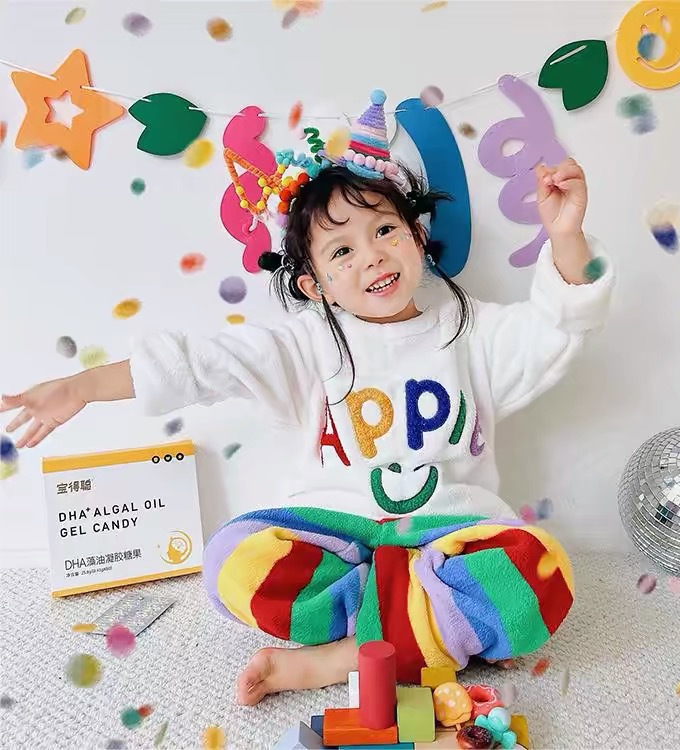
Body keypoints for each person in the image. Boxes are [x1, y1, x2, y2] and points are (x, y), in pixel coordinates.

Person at [1, 90, 614, 707]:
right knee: (231, 560)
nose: (372, 255)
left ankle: (340, 658)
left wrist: (565, 235)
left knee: (542, 570)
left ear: (416, 238)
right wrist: (81, 387)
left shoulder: (471, 330)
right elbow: (199, 364)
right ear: (314, 285)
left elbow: (556, 325)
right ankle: (426, 629)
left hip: (449, 536)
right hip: (338, 540)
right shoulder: (307, 343)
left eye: (385, 230)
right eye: (342, 251)